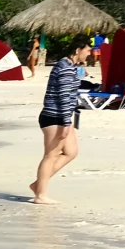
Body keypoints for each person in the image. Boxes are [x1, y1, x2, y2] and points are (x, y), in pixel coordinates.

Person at [32, 38, 88, 204]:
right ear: (78, 50)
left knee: (71, 152)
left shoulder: (71, 67)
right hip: (54, 116)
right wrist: (65, 122)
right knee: (51, 155)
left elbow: (71, 91)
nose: (89, 53)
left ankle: (38, 185)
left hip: (62, 116)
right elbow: (63, 97)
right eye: (87, 50)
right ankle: (40, 195)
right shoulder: (64, 67)